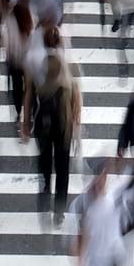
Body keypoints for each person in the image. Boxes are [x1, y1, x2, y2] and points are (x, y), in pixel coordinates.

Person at [22, 36, 81, 223]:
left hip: (43, 121)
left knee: (45, 157)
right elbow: (77, 100)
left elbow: (29, 94)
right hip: (64, 122)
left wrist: (26, 122)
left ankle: (46, 185)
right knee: (63, 167)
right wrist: (76, 127)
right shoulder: (69, 65)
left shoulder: (37, 65)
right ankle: (59, 211)